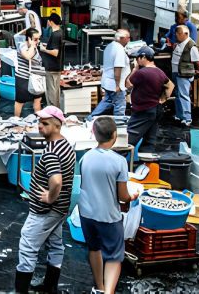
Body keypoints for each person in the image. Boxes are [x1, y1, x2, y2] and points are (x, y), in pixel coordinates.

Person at [15, 106, 75, 294]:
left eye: (45, 123)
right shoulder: (65, 144)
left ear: (57, 126)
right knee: (56, 244)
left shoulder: (51, 152)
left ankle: (21, 290)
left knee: (27, 246)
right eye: (39, 122)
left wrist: (49, 197)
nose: (40, 126)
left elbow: (56, 180)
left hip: (45, 211)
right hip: (60, 209)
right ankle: (50, 287)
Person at [79, 117, 133, 294]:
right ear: (115, 135)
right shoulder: (119, 162)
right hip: (108, 216)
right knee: (114, 256)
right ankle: (108, 292)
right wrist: (133, 195)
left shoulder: (85, 157)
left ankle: (99, 288)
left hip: (86, 213)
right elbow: (123, 196)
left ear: (94, 134)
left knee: (94, 248)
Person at [125, 46, 175, 153]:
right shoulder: (159, 72)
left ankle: (117, 165)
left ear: (143, 57)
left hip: (143, 110)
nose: (136, 60)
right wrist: (162, 99)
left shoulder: (141, 73)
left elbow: (128, 84)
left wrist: (134, 69)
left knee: (127, 141)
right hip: (155, 109)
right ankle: (146, 167)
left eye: (137, 58)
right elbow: (170, 85)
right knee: (149, 142)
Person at [89, 30, 132, 119]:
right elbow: (118, 68)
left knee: (107, 101)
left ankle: (90, 118)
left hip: (107, 81)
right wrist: (117, 85)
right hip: (115, 83)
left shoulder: (110, 46)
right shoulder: (119, 49)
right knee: (119, 106)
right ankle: (119, 125)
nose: (129, 40)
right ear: (121, 38)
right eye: (128, 38)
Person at [170, 24, 199, 127]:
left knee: (184, 95)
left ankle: (187, 118)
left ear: (185, 34)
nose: (176, 36)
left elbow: (198, 62)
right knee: (178, 94)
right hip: (176, 72)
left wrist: (196, 70)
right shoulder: (179, 43)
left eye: (178, 34)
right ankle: (180, 115)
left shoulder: (191, 46)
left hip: (184, 73)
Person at [15, 28, 45, 117]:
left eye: (39, 39)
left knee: (37, 100)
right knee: (19, 102)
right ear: (29, 38)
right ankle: (16, 120)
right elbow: (28, 56)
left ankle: (38, 121)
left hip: (36, 78)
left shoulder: (37, 46)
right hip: (24, 78)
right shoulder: (22, 46)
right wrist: (32, 45)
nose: (38, 41)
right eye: (35, 39)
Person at [40, 13, 64, 108]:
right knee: (56, 90)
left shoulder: (55, 35)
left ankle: (52, 110)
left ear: (51, 22)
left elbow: (55, 52)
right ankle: (56, 110)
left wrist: (43, 49)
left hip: (51, 66)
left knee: (51, 91)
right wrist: (48, 46)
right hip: (58, 66)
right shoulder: (61, 32)